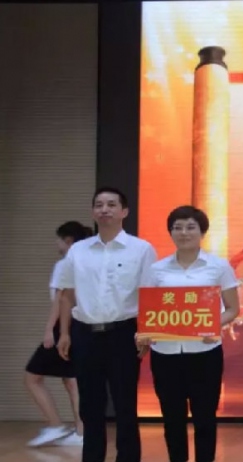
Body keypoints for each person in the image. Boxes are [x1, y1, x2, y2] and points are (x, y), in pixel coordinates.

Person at [56, 186, 158, 462]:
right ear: (93, 212)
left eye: (112, 204)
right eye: (99, 205)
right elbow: (67, 294)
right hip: (84, 334)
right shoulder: (78, 250)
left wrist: (146, 333)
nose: (105, 210)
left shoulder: (141, 249)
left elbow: (149, 295)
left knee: (125, 404)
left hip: (123, 334)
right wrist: (64, 333)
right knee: (90, 406)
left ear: (124, 211)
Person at [136, 205, 240, 462]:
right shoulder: (157, 270)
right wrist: (146, 333)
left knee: (205, 418)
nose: (184, 233)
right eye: (178, 228)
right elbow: (148, 310)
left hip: (205, 352)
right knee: (172, 419)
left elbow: (233, 308)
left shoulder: (218, 266)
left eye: (191, 227)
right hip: (165, 354)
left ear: (202, 232)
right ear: (170, 232)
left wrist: (213, 325)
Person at [25, 221, 93, 447]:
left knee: (32, 377)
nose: (56, 244)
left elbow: (60, 300)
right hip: (78, 324)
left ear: (68, 241)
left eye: (58, 239)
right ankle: (81, 432)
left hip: (64, 326)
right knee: (71, 379)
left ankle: (56, 425)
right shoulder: (83, 262)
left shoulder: (65, 264)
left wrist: (50, 330)